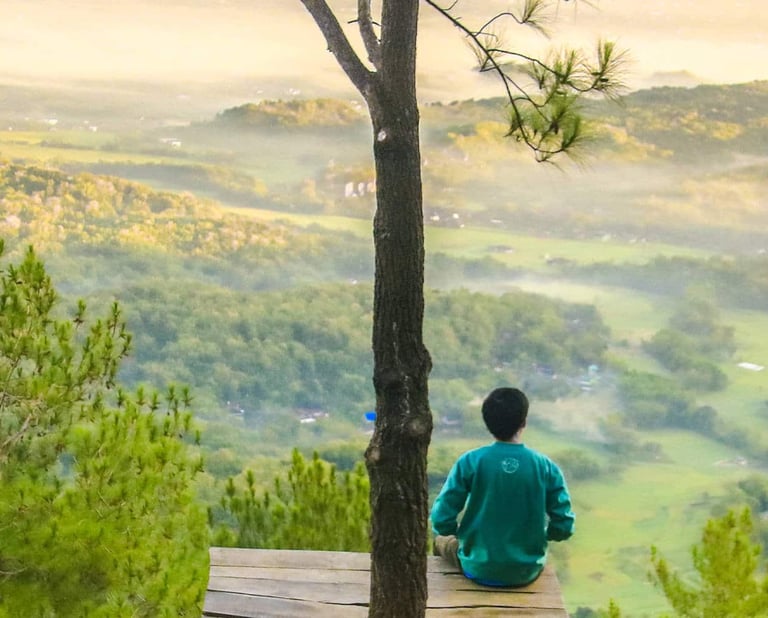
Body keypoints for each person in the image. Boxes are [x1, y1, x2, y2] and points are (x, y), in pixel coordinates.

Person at [430, 386, 575, 587]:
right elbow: (564, 526)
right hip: (527, 571)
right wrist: (541, 535)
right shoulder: (546, 467)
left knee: (440, 541)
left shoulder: (470, 461)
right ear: (523, 422)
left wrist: (460, 536)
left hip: (476, 567)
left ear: (487, 423)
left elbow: (441, 518)